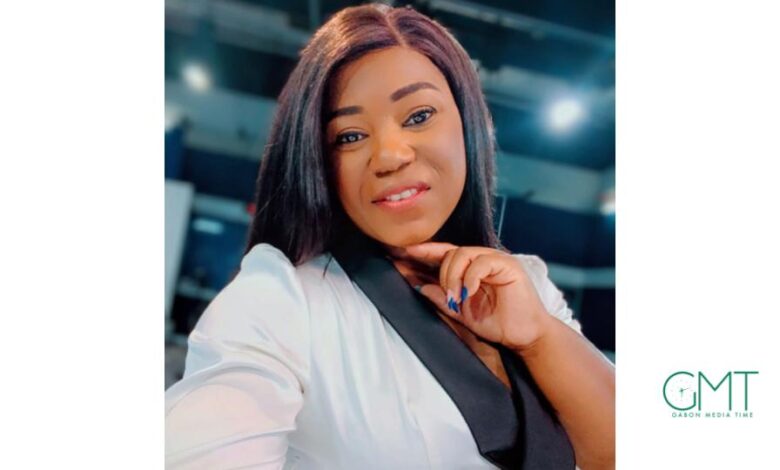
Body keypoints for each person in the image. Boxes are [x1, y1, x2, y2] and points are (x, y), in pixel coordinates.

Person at [165, 4, 615, 469]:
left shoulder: (526, 283)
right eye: (349, 136)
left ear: (468, 124)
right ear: (319, 161)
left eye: (418, 116)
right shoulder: (284, 300)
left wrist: (539, 336)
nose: (389, 156)